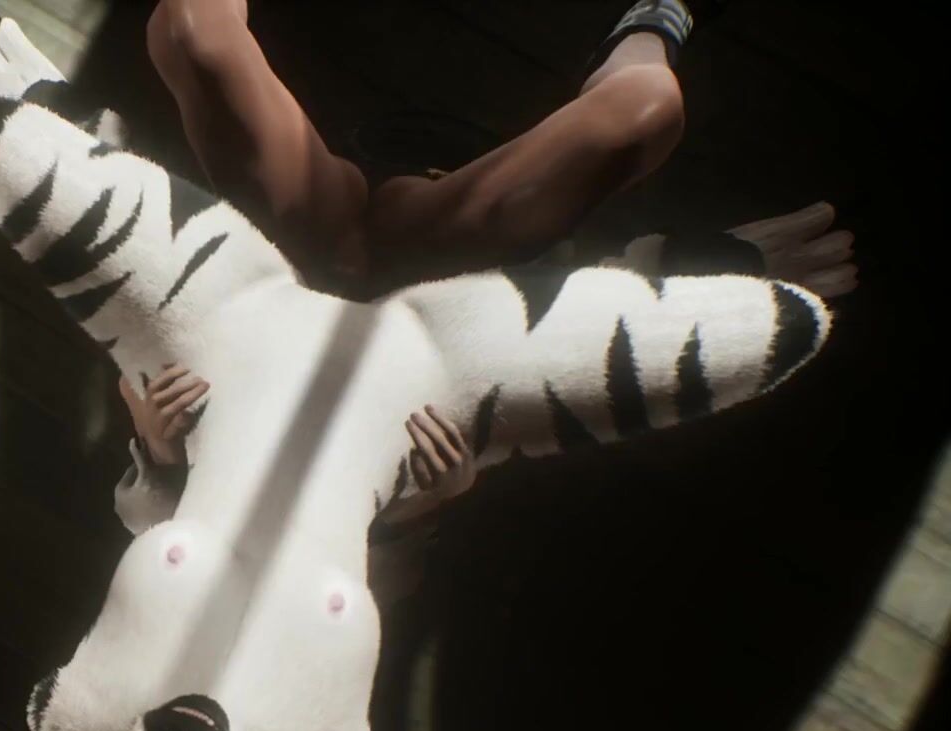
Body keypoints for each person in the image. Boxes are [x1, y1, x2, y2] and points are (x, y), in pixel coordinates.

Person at [114, 0, 858, 602]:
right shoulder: (328, 613)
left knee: (191, 31)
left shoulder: (171, 579)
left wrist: (157, 449)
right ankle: (653, 22)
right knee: (645, 110)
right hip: (419, 295)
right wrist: (426, 502)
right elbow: (386, 578)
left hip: (305, 266)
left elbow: (145, 508)